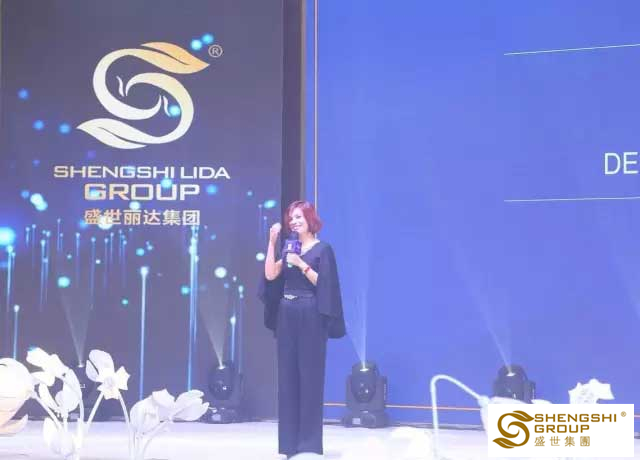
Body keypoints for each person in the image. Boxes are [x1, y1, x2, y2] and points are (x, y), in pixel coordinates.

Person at [259, 200, 346, 459]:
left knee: (310, 376)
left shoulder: (322, 249)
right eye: (291, 218)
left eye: (298, 217)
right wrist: (272, 243)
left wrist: (301, 264)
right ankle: (288, 444)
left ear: (310, 220)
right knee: (287, 378)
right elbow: (271, 275)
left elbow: (326, 284)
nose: (294, 221)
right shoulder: (289, 246)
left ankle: (309, 445)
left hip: (310, 314)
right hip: (287, 313)